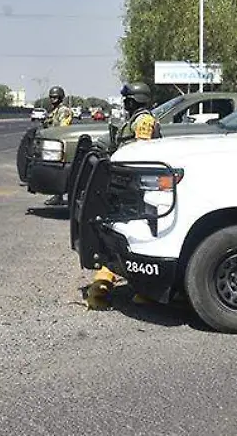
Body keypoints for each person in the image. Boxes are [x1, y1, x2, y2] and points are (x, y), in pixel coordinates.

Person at [86, 81, 162, 310]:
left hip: (136, 187)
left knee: (131, 234)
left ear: (134, 100)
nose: (125, 103)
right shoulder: (134, 120)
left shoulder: (144, 121)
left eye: (127, 99)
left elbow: (141, 152)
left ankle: (142, 288)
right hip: (126, 184)